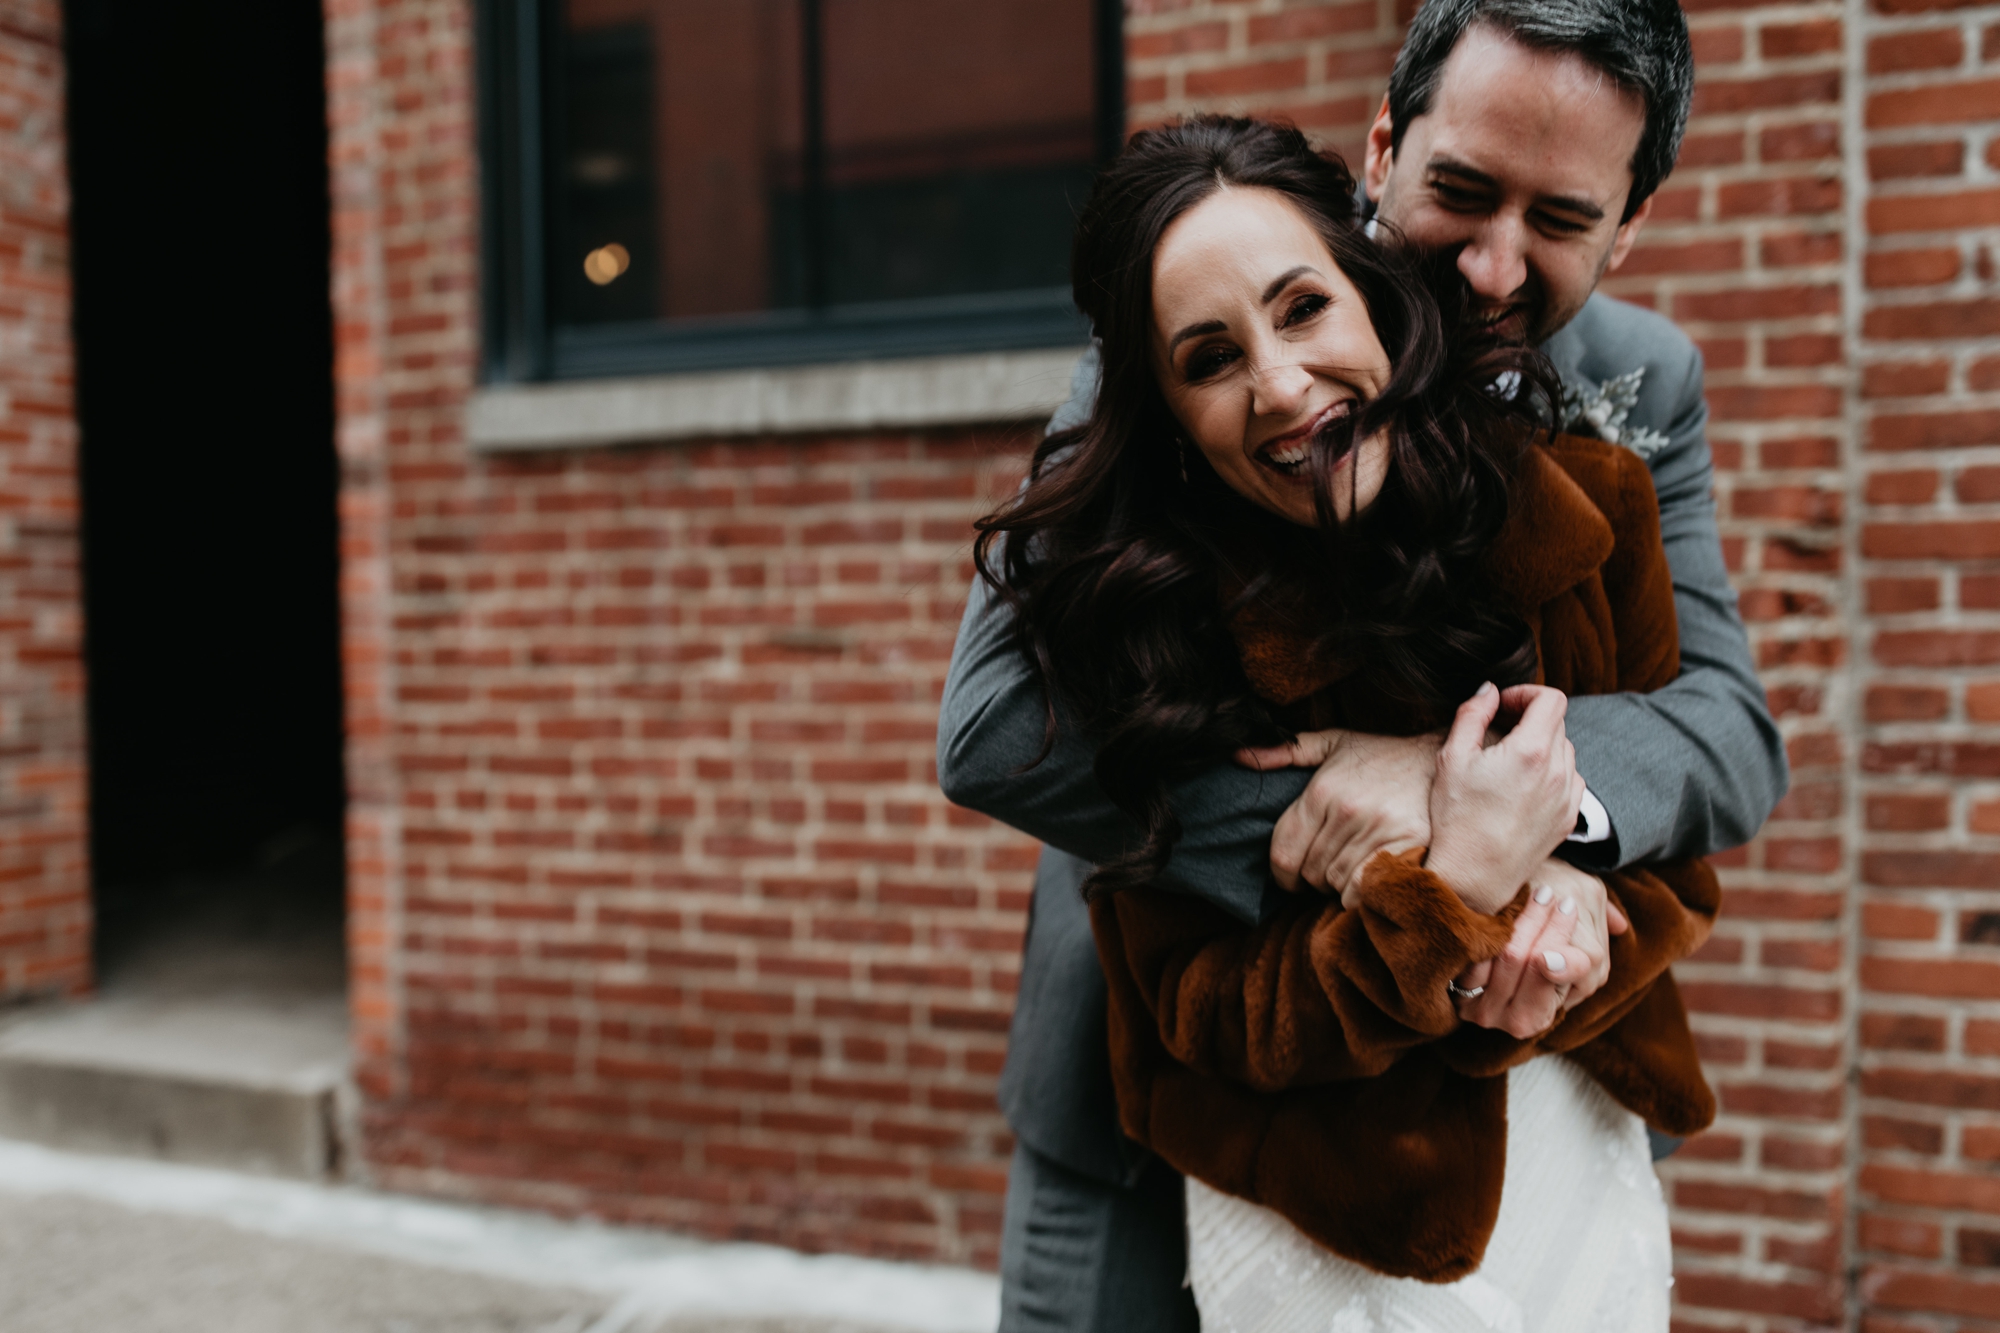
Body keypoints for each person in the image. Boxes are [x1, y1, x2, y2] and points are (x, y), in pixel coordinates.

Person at [938, 1, 1786, 1329]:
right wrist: (1390, 846)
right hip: (1168, 1066)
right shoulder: (1214, 304)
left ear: (1630, 225)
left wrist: (1500, 809)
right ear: (1385, 148)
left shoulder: (1641, 387)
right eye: (1461, 192)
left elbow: (1725, 731)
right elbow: (993, 725)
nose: (1497, 268)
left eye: (1560, 221)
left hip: (1521, 1100)